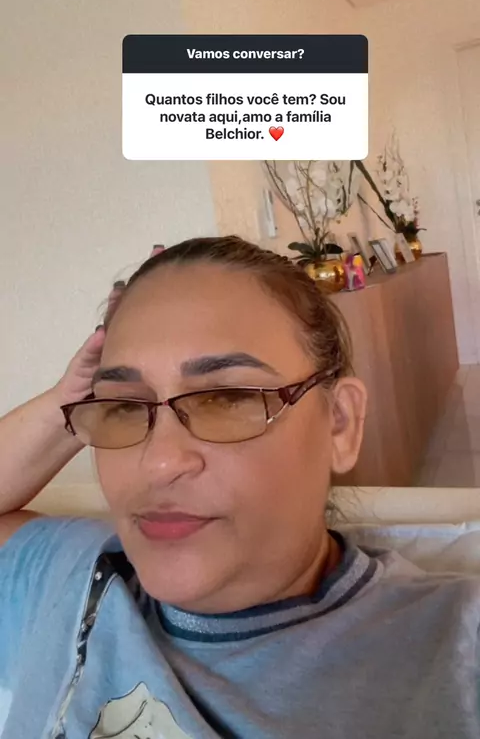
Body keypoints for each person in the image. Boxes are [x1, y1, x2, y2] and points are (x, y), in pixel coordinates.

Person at [0, 235, 479, 739]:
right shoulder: (72, 576)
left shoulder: (453, 648)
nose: (159, 463)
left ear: (340, 424)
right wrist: (70, 400)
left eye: (227, 398)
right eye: (124, 406)